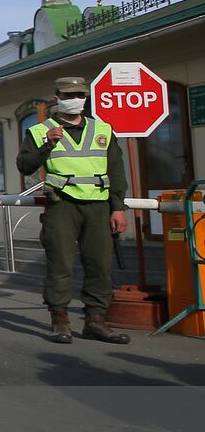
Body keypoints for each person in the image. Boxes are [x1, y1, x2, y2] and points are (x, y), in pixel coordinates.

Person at [16, 76, 130, 344]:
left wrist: (118, 207)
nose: (74, 100)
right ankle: (60, 321)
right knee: (60, 264)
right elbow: (24, 166)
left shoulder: (102, 130)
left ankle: (96, 321)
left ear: (85, 98)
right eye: (68, 96)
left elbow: (116, 171)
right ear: (57, 99)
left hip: (98, 206)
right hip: (62, 204)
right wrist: (48, 144)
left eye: (79, 95)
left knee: (100, 265)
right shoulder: (39, 131)